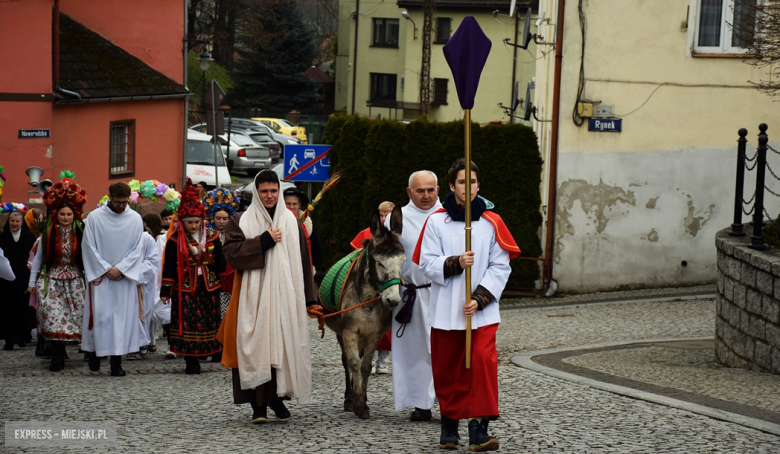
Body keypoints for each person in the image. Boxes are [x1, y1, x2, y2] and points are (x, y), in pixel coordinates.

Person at [414, 159, 520, 452]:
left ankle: (479, 431)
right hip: (446, 310)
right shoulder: (436, 221)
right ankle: (449, 426)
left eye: (472, 182)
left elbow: (501, 266)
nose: (468, 187)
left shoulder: (492, 222)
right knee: (448, 370)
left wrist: (480, 298)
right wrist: (456, 263)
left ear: (478, 185)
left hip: (481, 314)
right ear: (451, 186)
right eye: (462, 182)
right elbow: (426, 263)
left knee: (483, 366)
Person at [217, 169, 318, 424]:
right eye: (264, 191)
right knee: (256, 346)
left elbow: (304, 262)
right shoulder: (240, 220)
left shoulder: (292, 221)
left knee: (281, 346)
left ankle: (275, 399)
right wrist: (263, 240)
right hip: (252, 296)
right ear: (256, 193)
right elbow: (231, 253)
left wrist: (311, 299)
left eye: (274, 190)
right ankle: (257, 406)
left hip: (286, 295)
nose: (270, 195)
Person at [382, 170, 442, 421]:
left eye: (431, 190)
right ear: (409, 192)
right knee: (415, 351)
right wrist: (393, 277)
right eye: (420, 191)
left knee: (441, 350)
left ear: (438, 189)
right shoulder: (397, 219)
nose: (426, 196)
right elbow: (382, 253)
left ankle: (448, 402)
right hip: (410, 295)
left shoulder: (449, 215)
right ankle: (421, 404)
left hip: (442, 293)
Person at [81, 181, 146, 377]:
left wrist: (121, 269)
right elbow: (89, 246)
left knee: (121, 320)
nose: (121, 206)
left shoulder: (135, 219)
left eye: (124, 203)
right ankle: (95, 352)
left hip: (123, 279)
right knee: (100, 318)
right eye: (118, 202)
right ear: (109, 198)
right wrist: (105, 268)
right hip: (101, 277)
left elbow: (138, 249)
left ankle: (116, 362)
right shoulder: (95, 217)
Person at [160, 180, 225, 374]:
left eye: (197, 222)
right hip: (185, 286)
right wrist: (165, 291)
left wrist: (226, 282)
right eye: (190, 222)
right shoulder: (175, 239)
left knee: (208, 320)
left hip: (209, 286)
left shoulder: (212, 236)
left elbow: (221, 261)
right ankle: (191, 360)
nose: (194, 225)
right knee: (188, 322)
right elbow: (169, 266)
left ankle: (211, 352)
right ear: (182, 221)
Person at [28, 173, 88, 371]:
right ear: (56, 214)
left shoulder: (80, 233)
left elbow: (88, 258)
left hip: (75, 279)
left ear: (74, 215)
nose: (65, 217)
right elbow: (38, 260)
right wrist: (31, 283)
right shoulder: (48, 233)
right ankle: (56, 354)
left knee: (73, 316)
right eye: (62, 214)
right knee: (52, 315)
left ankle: (64, 350)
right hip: (51, 279)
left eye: (69, 214)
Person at [350, 201, 395, 374]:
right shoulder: (367, 234)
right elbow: (355, 259)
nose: (384, 219)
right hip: (369, 289)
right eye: (381, 215)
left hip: (389, 287)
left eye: (387, 215)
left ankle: (382, 360)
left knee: (386, 330)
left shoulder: (396, 235)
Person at [203, 187, 240, 363]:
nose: (222, 222)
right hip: (211, 279)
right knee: (212, 314)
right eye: (218, 218)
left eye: (225, 218)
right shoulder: (208, 236)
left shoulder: (235, 235)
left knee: (227, 313)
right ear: (213, 218)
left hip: (229, 278)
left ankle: (225, 346)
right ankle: (212, 346)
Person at [0, 209, 36, 350]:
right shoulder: (2, 237)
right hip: (6, 279)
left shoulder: (29, 237)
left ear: (22, 222)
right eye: (12, 221)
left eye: (17, 221)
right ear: (8, 222)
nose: (14, 224)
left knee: (23, 309)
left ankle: (22, 337)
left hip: (24, 277)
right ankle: (9, 339)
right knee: (8, 310)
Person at [142, 213, 166, 354]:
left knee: (156, 308)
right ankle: (146, 340)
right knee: (146, 309)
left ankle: (152, 340)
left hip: (160, 274)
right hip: (148, 275)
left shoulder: (162, 238)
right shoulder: (145, 238)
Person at [283, 187, 323, 269]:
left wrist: (311, 268)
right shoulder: (275, 222)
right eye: (288, 204)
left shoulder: (308, 225)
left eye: (294, 204)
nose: (291, 207)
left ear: (299, 205)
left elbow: (317, 251)